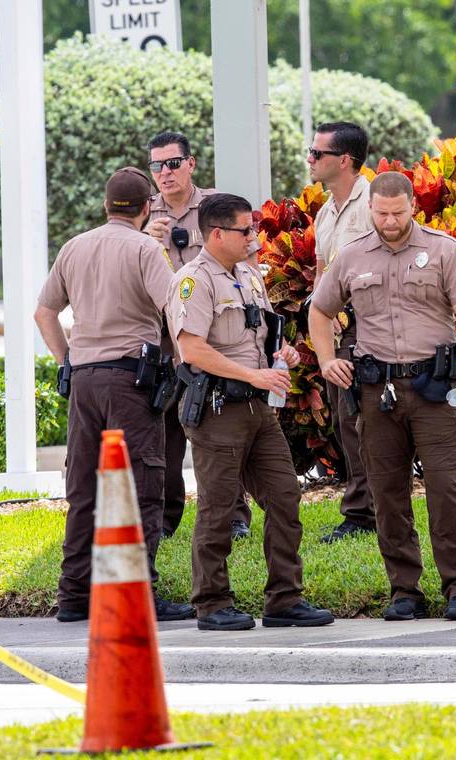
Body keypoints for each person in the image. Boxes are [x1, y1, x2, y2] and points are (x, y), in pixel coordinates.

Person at [309, 172, 456, 622]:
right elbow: (319, 309)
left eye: (398, 212)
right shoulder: (351, 256)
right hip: (376, 392)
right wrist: (326, 360)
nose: (390, 221)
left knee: (446, 488)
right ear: (370, 208)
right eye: (381, 213)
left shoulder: (444, 250)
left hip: (434, 389)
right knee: (387, 493)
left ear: (413, 205)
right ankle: (405, 590)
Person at [34, 166, 195, 624]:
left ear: (106, 206)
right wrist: (188, 366)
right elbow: (175, 309)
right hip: (131, 380)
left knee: (83, 485)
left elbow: (44, 313)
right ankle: (136, 593)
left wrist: (66, 360)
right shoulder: (146, 248)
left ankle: (74, 596)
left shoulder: (74, 247)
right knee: (141, 485)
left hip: (83, 380)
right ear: (147, 208)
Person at [170, 192, 335, 631]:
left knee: (284, 496)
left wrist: (281, 355)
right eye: (247, 230)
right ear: (218, 233)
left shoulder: (248, 274)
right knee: (219, 507)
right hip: (218, 409)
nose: (254, 237)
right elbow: (191, 350)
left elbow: (256, 335)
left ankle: (284, 598)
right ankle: (211, 602)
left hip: (259, 410)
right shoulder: (193, 280)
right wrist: (252, 376)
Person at [145, 130, 252, 542]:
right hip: (163, 339)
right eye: (157, 166)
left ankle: (234, 515)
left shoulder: (217, 207)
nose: (165, 173)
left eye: (173, 163)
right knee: (165, 435)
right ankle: (167, 519)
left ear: (191, 163)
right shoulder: (142, 210)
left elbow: (247, 260)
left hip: (213, 337)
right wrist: (145, 241)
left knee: (223, 428)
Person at [308, 121, 376, 543]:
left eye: (318, 154)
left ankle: (365, 513)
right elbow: (321, 272)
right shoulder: (325, 211)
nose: (310, 160)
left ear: (344, 160)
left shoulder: (375, 203)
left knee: (366, 422)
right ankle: (363, 510)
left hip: (373, 328)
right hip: (340, 332)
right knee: (346, 420)